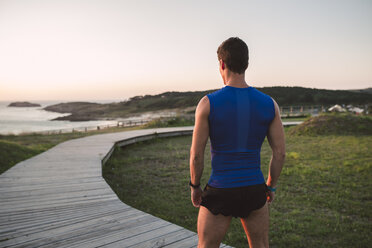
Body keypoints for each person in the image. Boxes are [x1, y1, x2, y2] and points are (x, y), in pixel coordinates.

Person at [189, 37, 285, 248]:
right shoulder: (270, 104)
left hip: (220, 189)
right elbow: (280, 154)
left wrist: (195, 186)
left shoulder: (207, 104)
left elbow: (196, 155)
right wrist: (271, 186)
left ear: (222, 64)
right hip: (254, 189)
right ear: (246, 64)